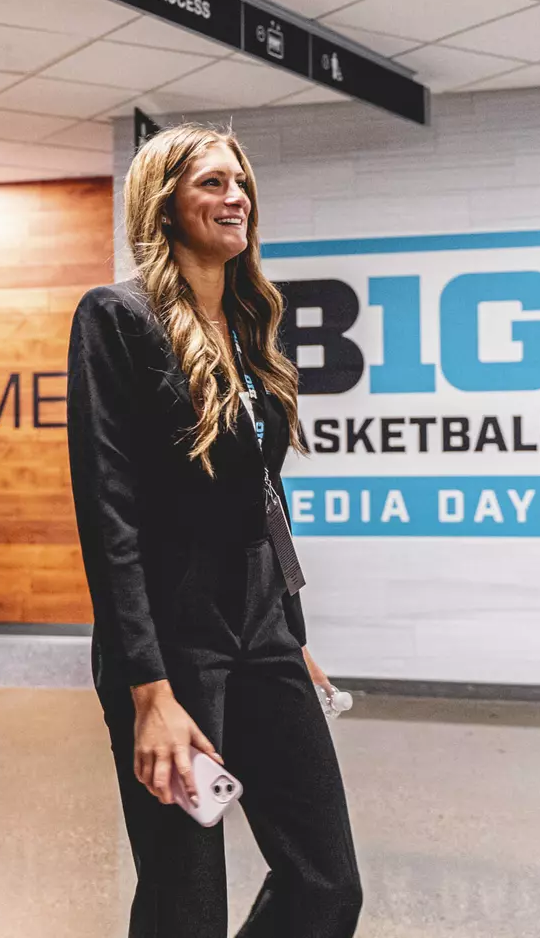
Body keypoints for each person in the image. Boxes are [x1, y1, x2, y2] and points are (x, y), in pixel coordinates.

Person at [67, 123, 364, 938]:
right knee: (184, 902)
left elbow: (264, 494)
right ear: (165, 204)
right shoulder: (117, 318)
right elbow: (108, 516)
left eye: (240, 183)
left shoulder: (250, 324)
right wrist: (148, 689)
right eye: (211, 183)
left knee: (327, 882)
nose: (235, 197)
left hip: (262, 628)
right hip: (172, 642)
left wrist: (292, 629)